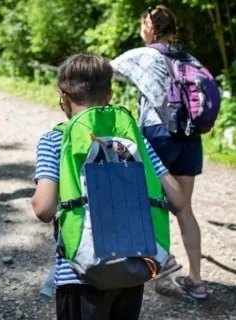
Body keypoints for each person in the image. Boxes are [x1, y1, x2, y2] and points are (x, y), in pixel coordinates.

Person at [31, 53, 186, 319]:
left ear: (63, 97)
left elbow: (44, 209)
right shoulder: (133, 140)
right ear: (109, 96)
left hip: (80, 272)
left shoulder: (54, 140)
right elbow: (178, 201)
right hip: (133, 267)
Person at [110, 5, 209, 299]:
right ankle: (197, 281)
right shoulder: (188, 58)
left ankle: (160, 257)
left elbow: (99, 71)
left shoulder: (144, 54)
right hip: (190, 138)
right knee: (183, 207)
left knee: (143, 199)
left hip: (158, 133)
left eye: (143, 25)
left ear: (150, 27)